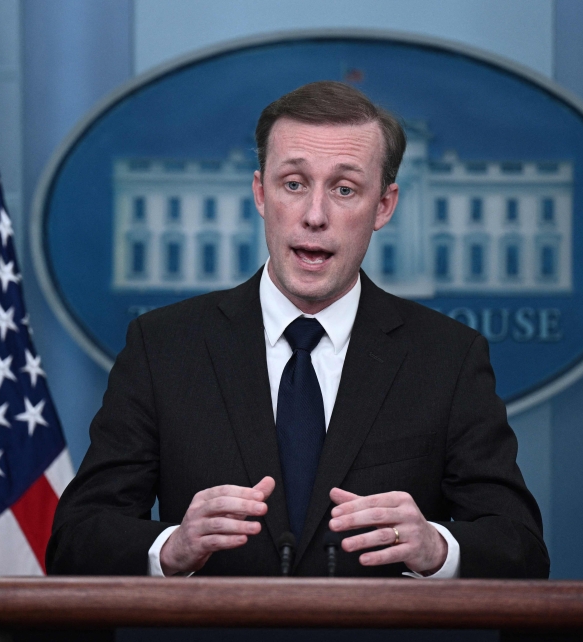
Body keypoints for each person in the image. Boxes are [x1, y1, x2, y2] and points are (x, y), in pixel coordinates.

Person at [46, 81, 548, 579]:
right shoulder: (163, 348)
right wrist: (170, 547)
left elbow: (520, 547)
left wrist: (436, 547)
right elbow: (76, 539)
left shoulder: (447, 357)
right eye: (294, 184)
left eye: (345, 189)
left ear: (384, 206)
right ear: (261, 193)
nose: (314, 216)